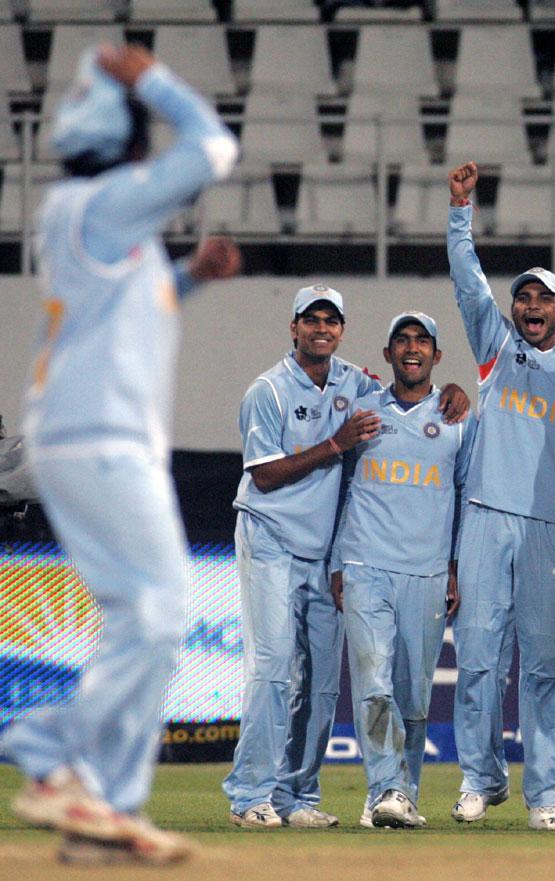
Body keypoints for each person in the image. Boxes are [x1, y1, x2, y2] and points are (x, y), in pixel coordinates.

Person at [3, 42, 239, 864]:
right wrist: (158, 83)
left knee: (146, 616)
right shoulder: (108, 203)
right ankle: (44, 752)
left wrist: (193, 275)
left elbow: (137, 303)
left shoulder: (92, 217)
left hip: (83, 432)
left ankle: (102, 809)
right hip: (100, 434)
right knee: (161, 604)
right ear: (136, 148)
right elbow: (214, 147)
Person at [222, 285, 467, 829]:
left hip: (321, 552)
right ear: (294, 328)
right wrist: (335, 444)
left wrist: (451, 389)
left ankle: (295, 797)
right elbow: (262, 475)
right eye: (312, 321)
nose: (322, 330)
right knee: (274, 668)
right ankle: (249, 795)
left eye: (331, 322)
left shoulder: (353, 384)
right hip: (270, 538)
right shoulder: (268, 390)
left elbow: (409, 384)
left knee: (324, 684)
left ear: (341, 331)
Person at [446, 162, 555, 830]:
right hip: (484, 517)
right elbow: (467, 280)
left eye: (543, 298)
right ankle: (480, 779)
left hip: (549, 529)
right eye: (523, 297)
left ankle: (545, 791)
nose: (530, 306)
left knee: (544, 666)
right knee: (476, 656)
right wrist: (460, 209)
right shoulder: (495, 348)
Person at [330, 312, 476, 831]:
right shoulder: (361, 412)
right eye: (402, 340)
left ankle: (400, 796)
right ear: (388, 354)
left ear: (436, 356)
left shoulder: (458, 420)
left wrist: (457, 566)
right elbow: (338, 488)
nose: (411, 348)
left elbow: (466, 497)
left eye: (422, 341)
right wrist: (336, 561)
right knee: (373, 684)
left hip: (429, 570)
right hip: (367, 564)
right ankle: (385, 787)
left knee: (413, 697)